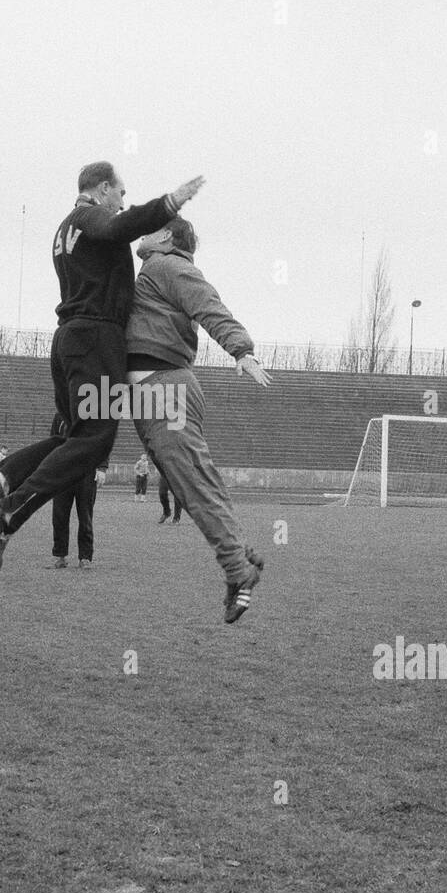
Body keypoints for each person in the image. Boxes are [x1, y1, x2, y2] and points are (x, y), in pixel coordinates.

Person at [0, 163, 204, 571]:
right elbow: (120, 228)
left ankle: (1, 477)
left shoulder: (65, 228)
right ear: (102, 189)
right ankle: (7, 512)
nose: (123, 202)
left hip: (70, 339)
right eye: (120, 193)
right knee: (95, 439)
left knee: (72, 437)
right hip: (95, 340)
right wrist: (169, 203)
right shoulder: (89, 216)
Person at [125, 215, 272, 623]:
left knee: (194, 486)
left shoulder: (167, 265)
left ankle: (237, 570)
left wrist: (241, 350)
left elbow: (209, 304)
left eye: (150, 228)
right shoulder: (154, 270)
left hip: (165, 390)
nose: (141, 232)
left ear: (167, 237)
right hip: (153, 391)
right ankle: (241, 554)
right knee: (199, 481)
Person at [49, 412, 107, 569]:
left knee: (85, 516)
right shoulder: (60, 415)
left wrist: (102, 467)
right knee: (59, 515)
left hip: (86, 472)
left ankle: (85, 557)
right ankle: (60, 556)